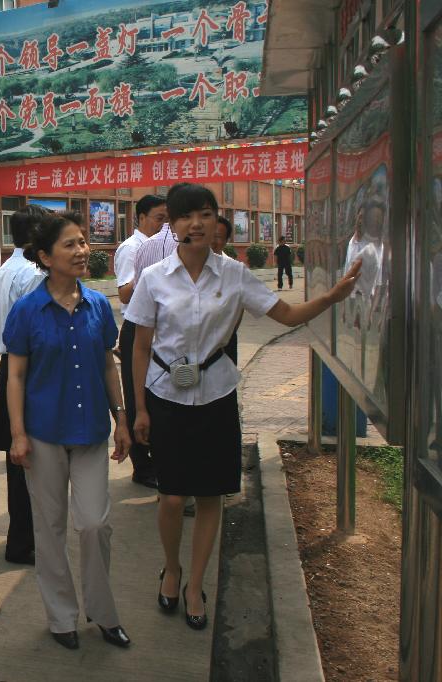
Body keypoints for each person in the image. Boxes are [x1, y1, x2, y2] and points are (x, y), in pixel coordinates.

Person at [124, 184, 360, 631]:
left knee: (210, 493)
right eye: (186, 216)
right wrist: (139, 408)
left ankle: (195, 584)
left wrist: (330, 298)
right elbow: (140, 346)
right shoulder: (154, 278)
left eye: (205, 214)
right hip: (165, 395)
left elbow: (286, 315)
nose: (196, 223)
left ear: (216, 220)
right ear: (173, 225)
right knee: (171, 496)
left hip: (215, 394)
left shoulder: (233, 275)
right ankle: (171, 567)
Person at [4, 211, 133, 651]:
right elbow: (15, 376)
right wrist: (17, 434)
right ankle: (61, 618)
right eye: (71, 245)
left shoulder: (97, 305)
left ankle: (103, 613)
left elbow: (107, 364)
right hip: (43, 433)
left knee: (95, 524)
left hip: (91, 430)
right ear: (45, 256)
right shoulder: (27, 311)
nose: (82, 251)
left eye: (83, 242)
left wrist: (121, 418)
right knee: (50, 528)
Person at [0, 203, 48, 565]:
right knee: (34, 459)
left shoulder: (4, 269)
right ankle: (25, 542)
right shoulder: (35, 274)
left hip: (7, 366)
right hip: (28, 370)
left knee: (18, 459)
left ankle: (20, 539)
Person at [114, 195, 167, 490]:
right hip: (136, 326)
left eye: (168, 218)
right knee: (138, 396)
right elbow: (124, 293)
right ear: (142, 217)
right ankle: (142, 466)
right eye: (159, 218)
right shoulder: (132, 248)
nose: (164, 224)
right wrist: (151, 271)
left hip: (158, 327)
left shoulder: (166, 245)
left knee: (156, 394)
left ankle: (157, 458)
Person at [213, 216, 240, 366]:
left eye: (218, 237)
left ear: (226, 240)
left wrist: (228, 332)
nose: (212, 241)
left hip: (225, 339)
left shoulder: (234, 269)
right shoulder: (187, 267)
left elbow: (240, 308)